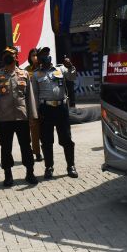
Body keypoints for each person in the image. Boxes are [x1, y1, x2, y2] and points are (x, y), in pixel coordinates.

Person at [0, 47, 38, 187]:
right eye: (6, 55)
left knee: (26, 147)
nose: (8, 57)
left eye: (11, 54)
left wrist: (33, 116)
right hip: (4, 119)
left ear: (17, 57)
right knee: (6, 148)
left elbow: (30, 97)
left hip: (22, 118)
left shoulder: (24, 74)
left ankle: (30, 172)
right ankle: (8, 175)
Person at [31, 47, 78, 179]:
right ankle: (49, 167)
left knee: (66, 139)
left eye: (47, 54)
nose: (46, 56)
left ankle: (71, 166)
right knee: (46, 140)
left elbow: (72, 76)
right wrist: (36, 113)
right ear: (39, 59)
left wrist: (70, 66)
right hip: (46, 110)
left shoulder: (61, 69)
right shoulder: (35, 75)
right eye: (43, 55)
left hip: (61, 108)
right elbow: (34, 95)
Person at [25, 48, 43, 162]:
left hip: (45, 104)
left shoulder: (44, 68)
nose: (35, 57)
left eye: (36, 55)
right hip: (33, 105)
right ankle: (37, 153)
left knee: (45, 131)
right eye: (33, 55)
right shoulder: (26, 71)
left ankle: (46, 149)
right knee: (34, 131)